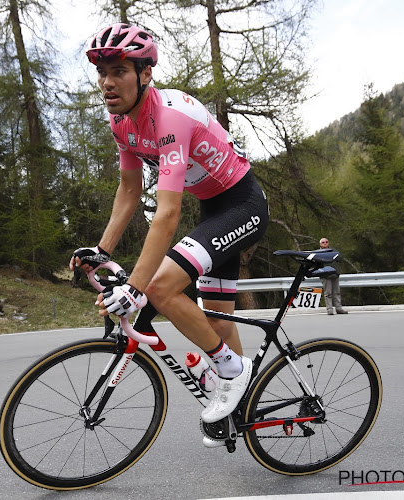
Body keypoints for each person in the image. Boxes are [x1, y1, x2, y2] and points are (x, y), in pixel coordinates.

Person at [69, 23, 269, 445]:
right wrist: (101, 249)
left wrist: (137, 287)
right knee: (213, 316)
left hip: (244, 204)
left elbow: (168, 213)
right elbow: (128, 190)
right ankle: (242, 404)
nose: (107, 81)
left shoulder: (170, 117)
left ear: (145, 74)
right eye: (101, 71)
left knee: (160, 287)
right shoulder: (121, 121)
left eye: (119, 70)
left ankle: (234, 373)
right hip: (216, 208)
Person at [318, 237, 347, 315]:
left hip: (334, 274)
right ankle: (329, 309)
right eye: (323, 242)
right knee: (328, 293)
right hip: (325, 275)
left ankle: (339, 308)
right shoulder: (318, 253)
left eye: (326, 242)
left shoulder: (333, 251)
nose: (325, 243)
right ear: (320, 244)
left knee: (337, 292)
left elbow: (340, 258)